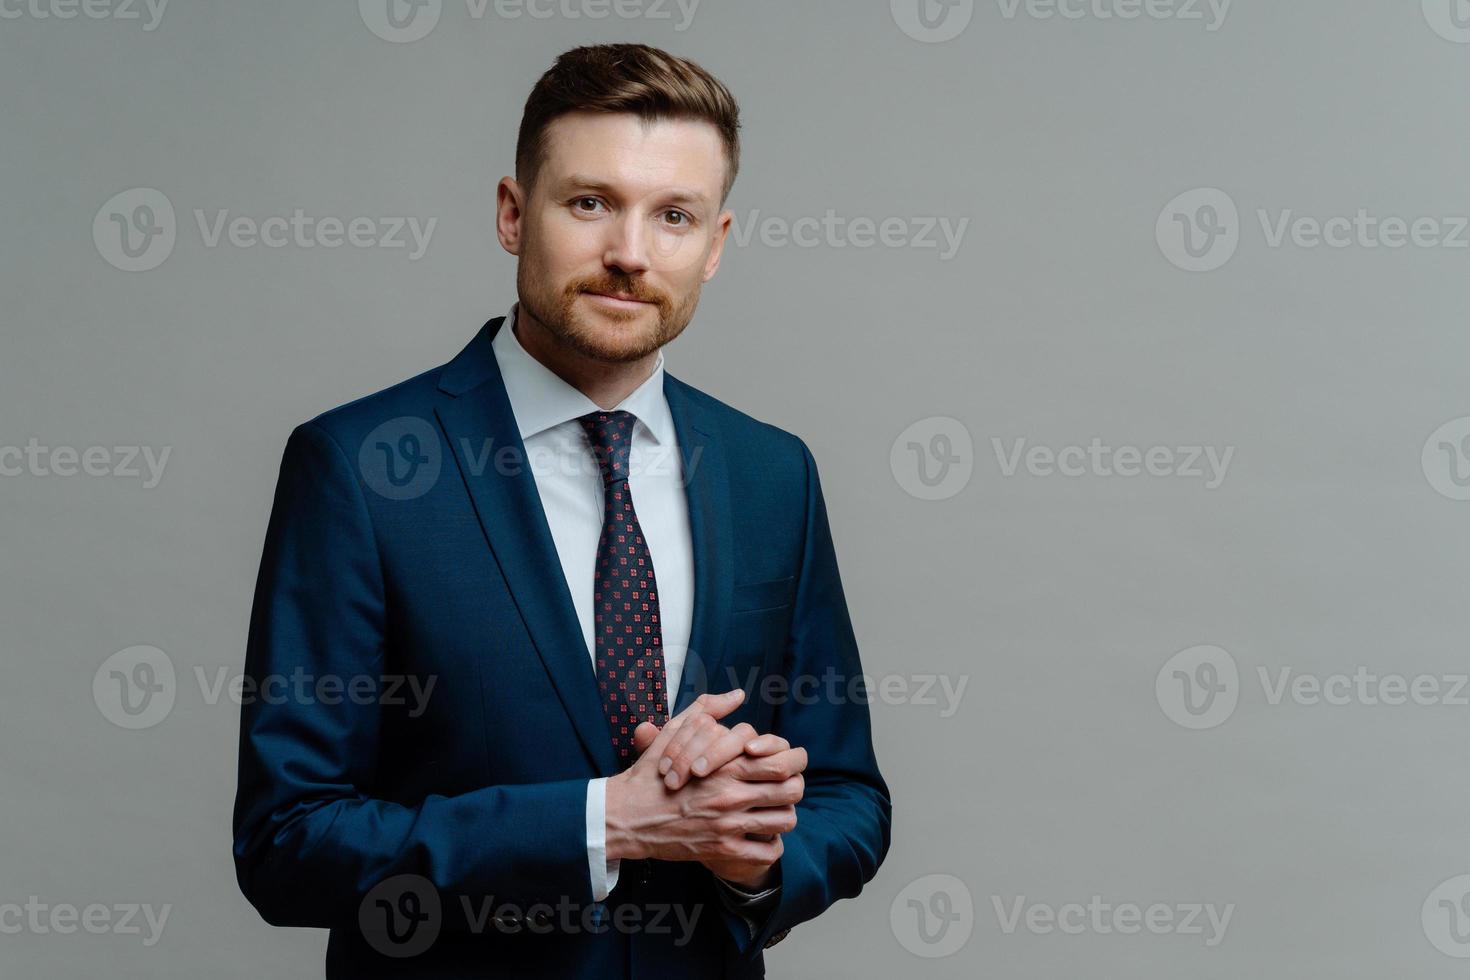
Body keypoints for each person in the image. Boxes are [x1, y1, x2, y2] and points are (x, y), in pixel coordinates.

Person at [231, 42, 890, 979]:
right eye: (590, 204)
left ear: (716, 246)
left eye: (673, 216)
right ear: (512, 213)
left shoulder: (772, 472)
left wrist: (755, 860)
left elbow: (850, 795)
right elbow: (287, 843)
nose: (629, 253)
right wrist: (603, 823)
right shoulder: (358, 470)